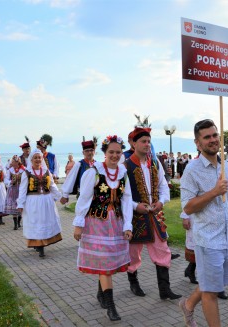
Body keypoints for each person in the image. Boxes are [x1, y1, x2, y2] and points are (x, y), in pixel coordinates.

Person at [179, 119, 228, 327]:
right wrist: (214, 192)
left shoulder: (224, 165)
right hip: (207, 241)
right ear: (197, 143)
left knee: (214, 285)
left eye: (215, 135)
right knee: (211, 292)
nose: (212, 140)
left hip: (226, 237)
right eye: (206, 137)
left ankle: (188, 304)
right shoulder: (192, 170)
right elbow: (188, 207)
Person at [73, 135, 133, 321]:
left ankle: (101, 293)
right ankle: (111, 306)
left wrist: (128, 224)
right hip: (96, 222)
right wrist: (78, 224)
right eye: (111, 152)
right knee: (106, 265)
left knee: (109, 263)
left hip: (115, 222)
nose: (115, 155)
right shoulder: (94, 172)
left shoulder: (123, 173)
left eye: (118, 152)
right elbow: (84, 199)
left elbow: (127, 199)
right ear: (105, 153)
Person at [124, 127, 181, 300]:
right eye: (143, 141)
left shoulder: (155, 162)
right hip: (135, 217)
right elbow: (121, 195)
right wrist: (135, 206)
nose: (147, 144)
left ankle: (165, 290)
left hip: (155, 215)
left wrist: (161, 202)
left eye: (149, 141)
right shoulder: (125, 165)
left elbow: (163, 185)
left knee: (162, 250)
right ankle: (134, 283)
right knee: (133, 254)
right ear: (134, 144)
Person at [17, 149, 62, 258]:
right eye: (35, 157)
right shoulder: (26, 173)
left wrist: (60, 196)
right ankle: (39, 245)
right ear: (31, 160)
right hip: (33, 202)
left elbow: (52, 186)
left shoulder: (47, 172)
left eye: (39, 157)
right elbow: (22, 190)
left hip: (46, 201)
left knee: (45, 221)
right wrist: (20, 204)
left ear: (42, 159)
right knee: (36, 222)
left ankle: (41, 244)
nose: (37, 159)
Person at [181, 210, 228, 300]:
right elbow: (187, 199)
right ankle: (217, 287)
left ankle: (190, 270)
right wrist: (185, 216)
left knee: (213, 252)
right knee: (204, 251)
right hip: (199, 218)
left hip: (215, 219)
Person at [60, 138, 97, 205]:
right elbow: (71, 178)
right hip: (83, 194)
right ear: (83, 152)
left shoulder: (98, 165)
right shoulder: (79, 164)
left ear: (94, 151)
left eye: (91, 150)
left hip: (96, 195)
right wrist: (65, 195)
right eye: (87, 151)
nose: (89, 152)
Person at [4, 155, 26, 230]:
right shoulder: (10, 170)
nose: (14, 163)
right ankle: (15, 224)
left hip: (21, 190)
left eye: (16, 162)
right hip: (12, 190)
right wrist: (11, 182)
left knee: (20, 206)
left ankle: (19, 222)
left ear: (19, 162)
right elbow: (6, 180)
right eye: (13, 162)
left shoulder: (23, 170)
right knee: (14, 206)